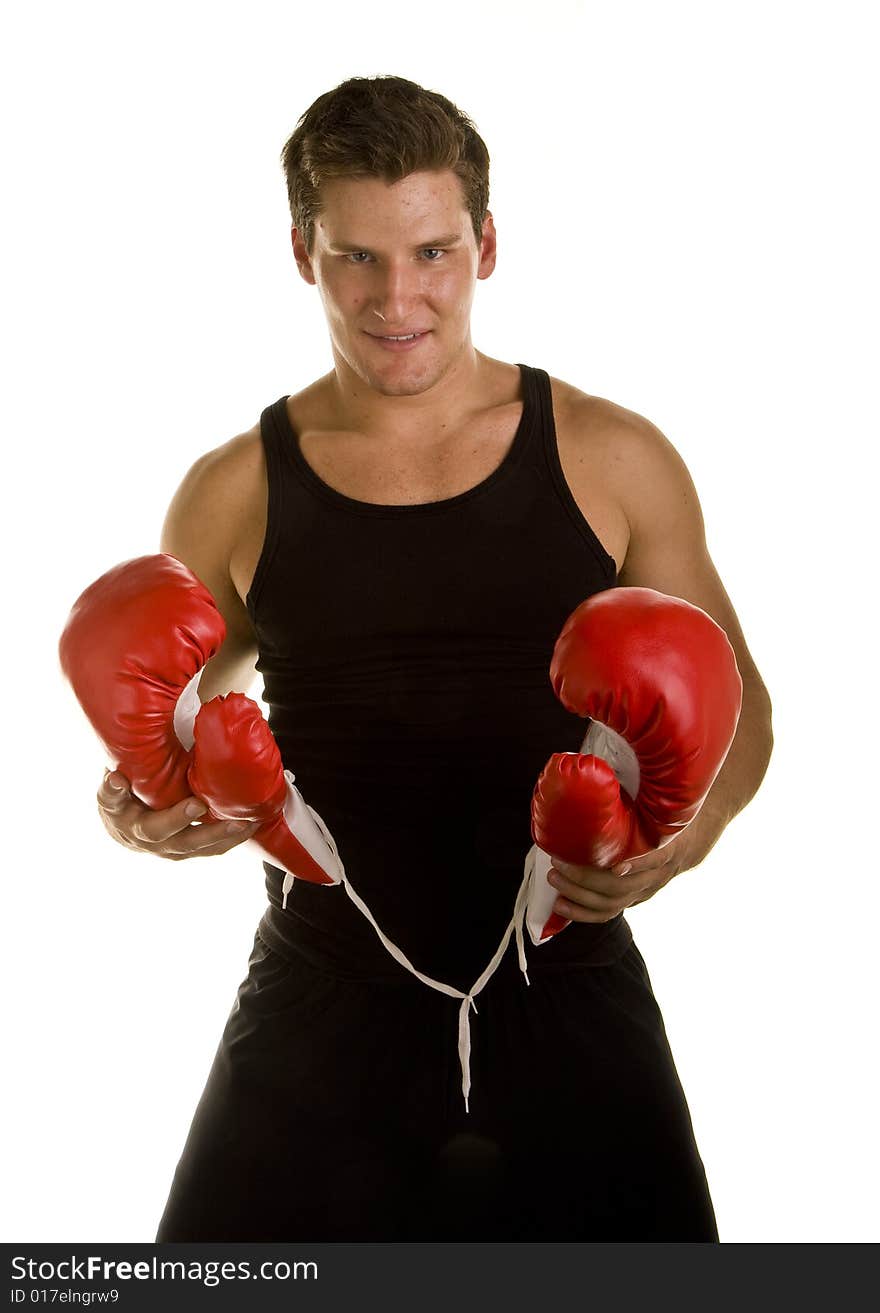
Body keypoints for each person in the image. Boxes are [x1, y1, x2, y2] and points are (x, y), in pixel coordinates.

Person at [94, 75, 773, 1241]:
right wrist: (143, 809)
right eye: (356, 256)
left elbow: (742, 711)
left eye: (431, 251)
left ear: (487, 244)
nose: (395, 296)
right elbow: (177, 742)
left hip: (568, 976)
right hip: (317, 993)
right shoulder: (232, 489)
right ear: (302, 252)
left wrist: (676, 845)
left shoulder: (611, 457)